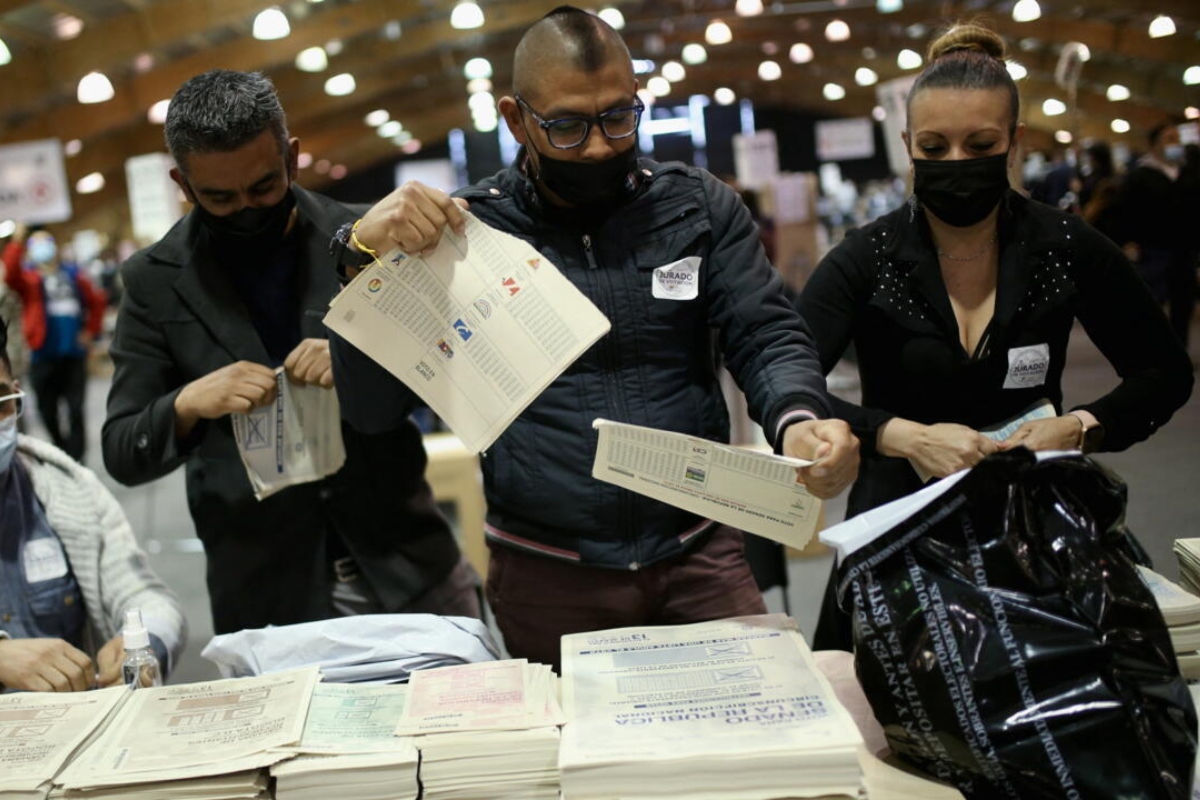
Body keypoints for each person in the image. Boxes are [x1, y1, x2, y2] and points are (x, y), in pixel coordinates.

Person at [328, 6, 859, 671]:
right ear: (517, 119)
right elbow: (371, 408)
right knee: (574, 770)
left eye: (619, 116)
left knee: (761, 744)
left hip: (699, 552)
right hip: (547, 574)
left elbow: (765, 331)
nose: (602, 146)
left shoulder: (696, 207)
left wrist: (798, 417)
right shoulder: (460, 237)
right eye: (569, 127)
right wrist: (360, 260)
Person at [796, 22, 1194, 650]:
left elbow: (1164, 372)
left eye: (979, 143)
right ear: (907, 144)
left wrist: (1081, 426)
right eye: (934, 146)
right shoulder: (864, 258)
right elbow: (787, 380)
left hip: (1035, 529)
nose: (956, 163)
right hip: (897, 531)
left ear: (1014, 142)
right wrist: (899, 436)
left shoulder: (1064, 245)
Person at [101, 70, 479, 635]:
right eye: (218, 197)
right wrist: (187, 403)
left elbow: (451, 379)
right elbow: (121, 450)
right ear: (182, 183)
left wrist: (361, 358)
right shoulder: (153, 281)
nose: (245, 210)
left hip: (408, 564)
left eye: (263, 187)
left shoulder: (369, 240)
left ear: (292, 157)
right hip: (266, 595)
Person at [0, 320, 185, 692]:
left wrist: (142, 644)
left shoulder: (66, 486)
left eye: (0, 402)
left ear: (17, 397)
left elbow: (145, 593)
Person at [2, 225, 106, 461]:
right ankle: (60, 448)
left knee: (76, 409)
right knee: (47, 410)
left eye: (45, 242)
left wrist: (90, 331)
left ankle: (77, 459)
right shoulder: (28, 279)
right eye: (36, 244)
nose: (43, 248)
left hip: (73, 354)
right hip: (42, 355)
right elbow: (10, 273)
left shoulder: (73, 274)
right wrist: (18, 238)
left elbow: (97, 302)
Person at [1110, 122, 1199, 348]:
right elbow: (1125, 212)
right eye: (1169, 138)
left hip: (1184, 249)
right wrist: (1128, 242)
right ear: (1155, 144)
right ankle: (1153, 352)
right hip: (1152, 249)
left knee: (1183, 303)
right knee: (1151, 303)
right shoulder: (1139, 176)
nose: (1175, 143)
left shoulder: (1189, 173)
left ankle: (1180, 350)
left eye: (1177, 138)